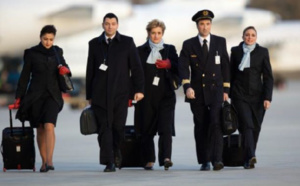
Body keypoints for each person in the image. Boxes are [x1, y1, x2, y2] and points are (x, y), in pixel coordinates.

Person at [86, 13, 144, 172]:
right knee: (104, 128)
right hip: (99, 95)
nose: (110, 26)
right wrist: (89, 95)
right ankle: (109, 161)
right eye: (107, 23)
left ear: (117, 25)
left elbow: (136, 68)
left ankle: (117, 151)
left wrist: (138, 90)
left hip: (121, 93)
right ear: (103, 25)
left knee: (118, 127)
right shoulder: (94, 44)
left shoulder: (127, 42)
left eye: (113, 23)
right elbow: (90, 70)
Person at [12, 25, 71, 172]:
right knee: (40, 129)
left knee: (49, 125)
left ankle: (50, 160)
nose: (48, 42)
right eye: (45, 39)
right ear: (40, 38)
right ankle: (43, 162)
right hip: (35, 95)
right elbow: (25, 76)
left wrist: (65, 70)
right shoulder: (31, 53)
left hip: (53, 95)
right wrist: (19, 96)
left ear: (54, 39)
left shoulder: (57, 52)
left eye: (51, 39)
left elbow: (66, 71)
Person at [178, 10, 230, 171]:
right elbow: (182, 67)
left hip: (216, 90)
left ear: (211, 25)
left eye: (208, 24)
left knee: (216, 123)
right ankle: (204, 160)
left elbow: (225, 66)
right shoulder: (189, 44)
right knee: (201, 125)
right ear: (197, 26)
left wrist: (226, 89)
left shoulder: (220, 42)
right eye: (202, 24)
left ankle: (217, 160)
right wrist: (187, 87)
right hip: (197, 92)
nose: (205, 27)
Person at [134, 19, 179, 171]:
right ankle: (149, 160)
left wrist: (170, 64)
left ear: (163, 34)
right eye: (153, 33)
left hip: (166, 95)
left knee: (165, 128)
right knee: (146, 129)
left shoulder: (169, 49)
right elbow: (133, 74)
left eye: (159, 33)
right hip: (145, 96)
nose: (156, 36)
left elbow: (179, 69)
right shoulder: (139, 51)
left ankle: (166, 158)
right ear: (148, 33)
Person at [230, 26, 273, 169]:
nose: (250, 37)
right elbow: (230, 74)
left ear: (256, 37)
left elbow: (268, 77)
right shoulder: (235, 51)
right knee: (247, 125)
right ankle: (251, 155)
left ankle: (248, 158)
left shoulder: (262, 52)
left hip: (258, 97)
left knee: (255, 128)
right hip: (239, 96)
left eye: (253, 35)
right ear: (242, 37)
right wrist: (227, 93)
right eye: (247, 35)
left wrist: (267, 98)